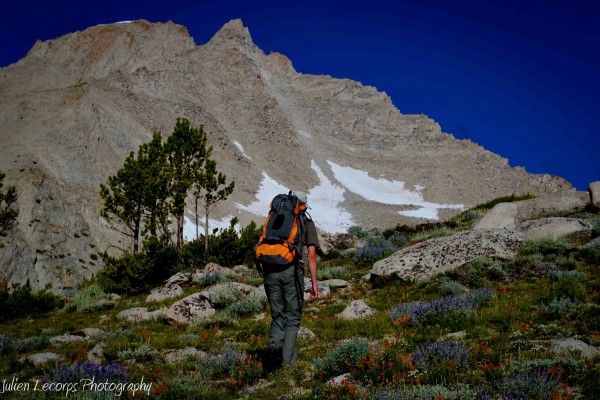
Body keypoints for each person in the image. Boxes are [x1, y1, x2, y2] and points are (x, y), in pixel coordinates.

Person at [263, 191, 319, 367]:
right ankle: (288, 364)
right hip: (291, 271)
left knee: (278, 315)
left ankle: (274, 344)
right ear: (302, 206)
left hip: (270, 269)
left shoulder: (274, 217)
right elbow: (311, 255)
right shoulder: (306, 222)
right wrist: (314, 285)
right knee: (293, 317)